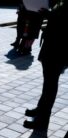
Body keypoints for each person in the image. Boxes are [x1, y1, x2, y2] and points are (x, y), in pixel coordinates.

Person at [23, 0, 67, 130]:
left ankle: (41, 120)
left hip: (59, 49)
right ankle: (41, 110)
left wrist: (50, 15)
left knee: (50, 85)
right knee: (48, 84)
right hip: (53, 46)